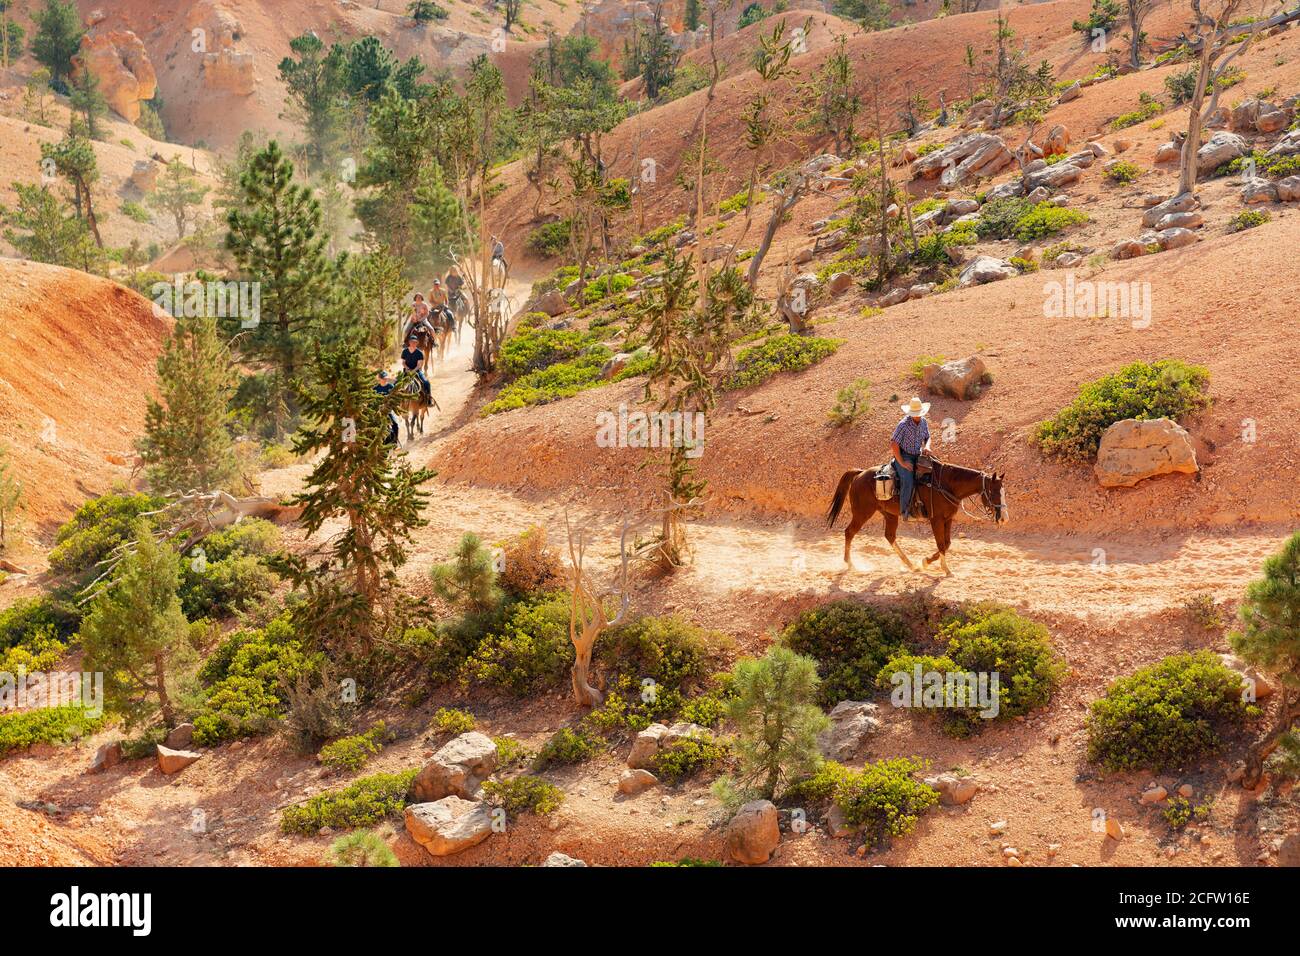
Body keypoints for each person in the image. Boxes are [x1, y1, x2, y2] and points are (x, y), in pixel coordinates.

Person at [891, 397, 932, 522]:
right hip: (904, 456)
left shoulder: (924, 422)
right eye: (916, 414)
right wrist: (902, 463)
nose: (918, 416)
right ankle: (905, 511)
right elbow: (894, 443)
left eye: (919, 414)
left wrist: (927, 446)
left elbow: (928, 437)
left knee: (932, 473)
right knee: (908, 480)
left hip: (918, 455)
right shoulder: (903, 425)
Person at [401, 335, 432, 405]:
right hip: (407, 371)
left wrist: (413, 371)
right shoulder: (405, 351)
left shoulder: (419, 353)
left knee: (427, 383)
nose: (413, 343)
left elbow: (419, 365)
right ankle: (395, 401)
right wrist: (407, 369)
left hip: (417, 371)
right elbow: (403, 362)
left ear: (417, 343)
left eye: (415, 342)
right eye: (412, 342)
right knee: (396, 383)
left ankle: (429, 399)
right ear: (409, 342)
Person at [374, 370, 399, 445]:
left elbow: (394, 398)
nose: (384, 379)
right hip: (378, 411)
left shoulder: (391, 387)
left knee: (395, 425)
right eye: (382, 378)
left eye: (385, 378)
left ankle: (395, 442)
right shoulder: (375, 389)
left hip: (388, 410)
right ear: (379, 379)